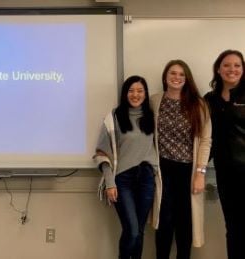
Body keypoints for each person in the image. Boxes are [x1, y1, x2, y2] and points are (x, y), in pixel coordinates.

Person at [94, 75, 161, 259]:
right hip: (122, 180)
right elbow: (101, 152)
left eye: (140, 91)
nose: (135, 94)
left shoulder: (152, 117)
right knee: (131, 230)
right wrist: (109, 182)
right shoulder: (113, 117)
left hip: (146, 178)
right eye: (131, 91)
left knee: (139, 231)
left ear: (146, 94)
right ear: (125, 94)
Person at [152, 59, 211, 259]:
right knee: (163, 222)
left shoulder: (198, 105)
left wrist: (200, 173)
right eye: (172, 73)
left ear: (187, 79)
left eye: (181, 75)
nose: (177, 78)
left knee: (185, 223)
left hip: (188, 170)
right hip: (162, 170)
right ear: (165, 77)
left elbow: (205, 141)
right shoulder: (155, 101)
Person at [204, 49, 245, 259]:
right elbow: (204, 138)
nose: (232, 69)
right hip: (225, 173)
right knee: (233, 227)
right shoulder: (209, 100)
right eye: (227, 65)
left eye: (237, 65)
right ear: (218, 69)